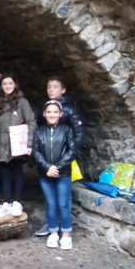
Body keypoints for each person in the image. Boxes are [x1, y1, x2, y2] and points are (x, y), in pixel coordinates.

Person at [35, 76, 85, 236]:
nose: (51, 90)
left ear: (63, 90)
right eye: (49, 87)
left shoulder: (70, 110)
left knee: (64, 198)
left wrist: (66, 154)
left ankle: (64, 228)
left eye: (55, 87)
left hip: (65, 157)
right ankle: (51, 226)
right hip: (47, 158)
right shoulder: (45, 108)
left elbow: (78, 136)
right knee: (51, 199)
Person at [0, 74, 37, 218]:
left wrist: (29, 144)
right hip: (2, 143)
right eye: (5, 84)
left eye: (10, 83)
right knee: (5, 173)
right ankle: (6, 203)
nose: (8, 86)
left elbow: (31, 122)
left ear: (15, 84)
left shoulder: (22, 102)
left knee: (17, 171)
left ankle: (17, 202)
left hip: (18, 142)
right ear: (1, 86)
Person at [33, 100, 76, 250]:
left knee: (63, 205)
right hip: (45, 174)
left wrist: (57, 167)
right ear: (44, 114)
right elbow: (36, 151)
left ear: (60, 114)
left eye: (55, 112)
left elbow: (72, 150)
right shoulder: (38, 131)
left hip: (63, 173)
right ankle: (53, 233)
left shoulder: (67, 130)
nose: (52, 115)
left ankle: (66, 235)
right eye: (49, 112)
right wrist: (47, 167)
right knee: (51, 204)